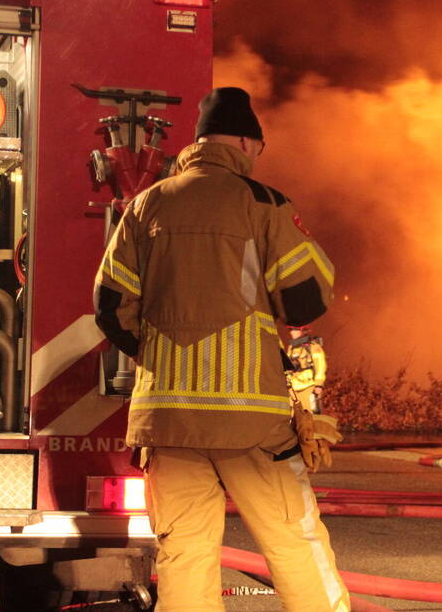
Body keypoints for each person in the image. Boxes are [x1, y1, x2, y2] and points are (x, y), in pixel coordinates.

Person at [94, 87, 349, 611]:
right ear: (243, 142)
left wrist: (162, 354)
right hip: (251, 421)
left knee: (184, 554)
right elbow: (305, 298)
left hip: (166, 419)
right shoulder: (263, 203)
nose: (258, 156)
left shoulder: (146, 205)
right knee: (292, 540)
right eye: (257, 147)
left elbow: (110, 305)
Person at [286, 324, 327, 412]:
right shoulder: (291, 347)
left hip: (309, 386)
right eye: (290, 330)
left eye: (295, 329)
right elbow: (288, 366)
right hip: (294, 388)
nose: (292, 332)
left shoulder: (313, 346)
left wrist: (319, 384)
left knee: (310, 415)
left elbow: (320, 365)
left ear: (302, 330)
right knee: (293, 416)